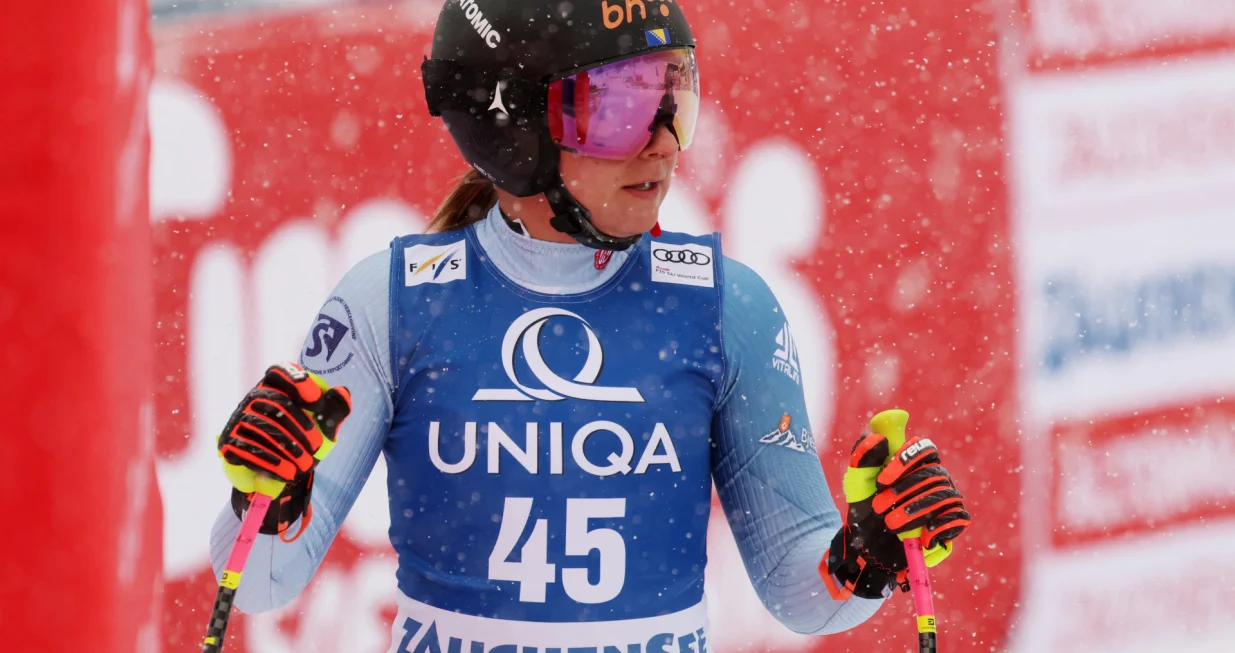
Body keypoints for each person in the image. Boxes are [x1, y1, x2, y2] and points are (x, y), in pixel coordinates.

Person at [210, 0, 972, 650]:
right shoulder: (392, 300)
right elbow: (262, 582)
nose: (664, 141)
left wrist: (865, 555)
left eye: (675, 95)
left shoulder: (726, 307)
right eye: (619, 107)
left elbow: (798, 591)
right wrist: (268, 499)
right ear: (512, 126)